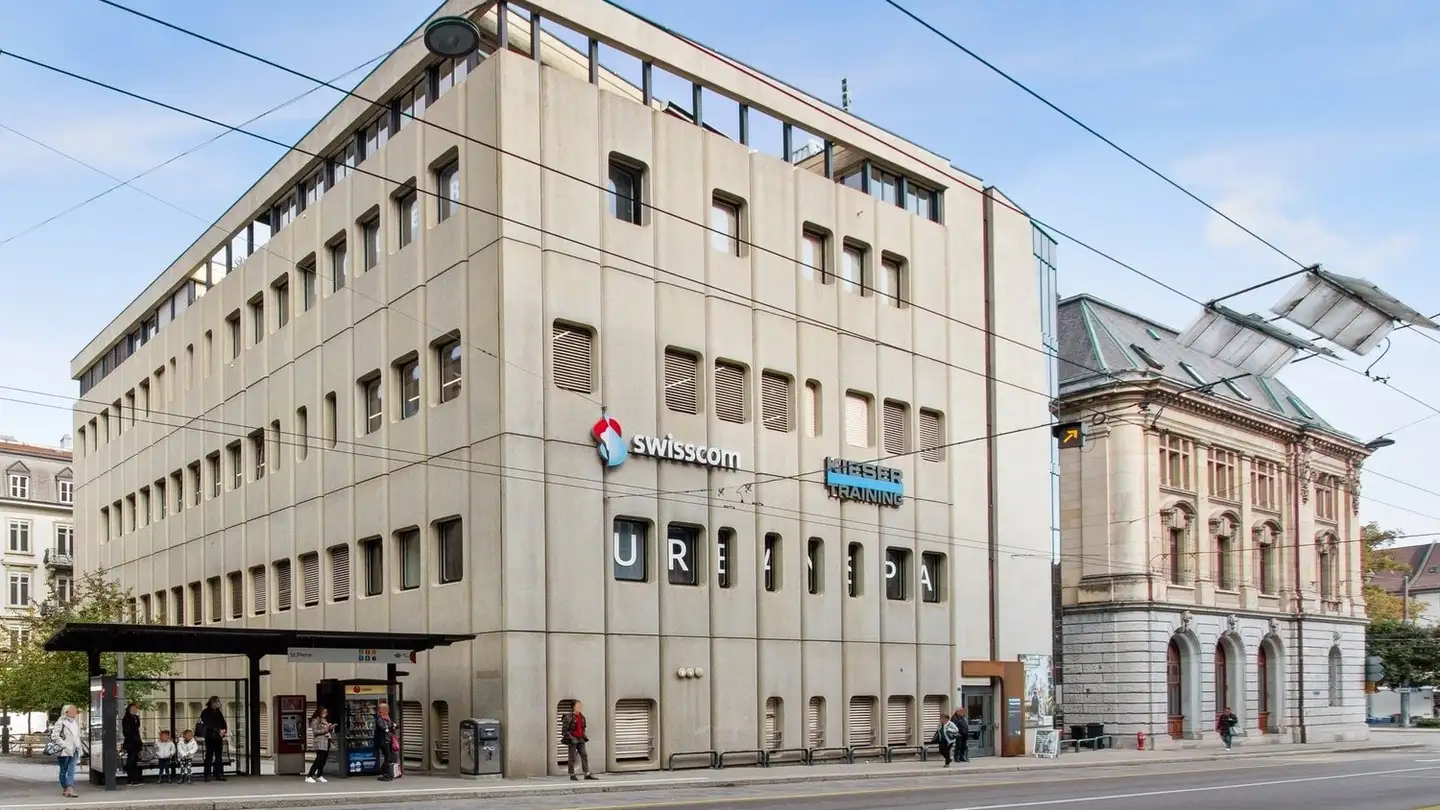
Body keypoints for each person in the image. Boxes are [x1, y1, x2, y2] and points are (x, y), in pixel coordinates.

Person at [50, 704, 82, 798]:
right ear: (66, 712)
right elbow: (54, 736)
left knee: (71, 770)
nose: (75, 712)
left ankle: (70, 789)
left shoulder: (75, 723)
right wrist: (64, 745)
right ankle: (65, 788)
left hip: (74, 749)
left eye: (75, 710)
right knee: (63, 770)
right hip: (64, 750)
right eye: (72, 710)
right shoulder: (60, 722)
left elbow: (76, 736)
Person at [561, 701, 597, 781]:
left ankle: (587, 774)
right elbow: (564, 731)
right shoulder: (568, 717)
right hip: (573, 739)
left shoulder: (582, 717)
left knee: (584, 755)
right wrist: (571, 738)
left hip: (581, 739)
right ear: (573, 707)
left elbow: (583, 728)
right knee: (572, 757)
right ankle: (572, 774)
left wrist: (583, 736)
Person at [199, 696, 228, 782]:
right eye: (217, 702)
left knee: (218, 756)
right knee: (209, 755)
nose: (219, 704)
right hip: (210, 737)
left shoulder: (218, 712)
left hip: (218, 737)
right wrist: (218, 730)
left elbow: (223, 722)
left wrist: (224, 730)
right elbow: (208, 724)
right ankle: (206, 775)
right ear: (212, 703)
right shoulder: (206, 712)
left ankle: (219, 774)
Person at [306, 706, 334, 783]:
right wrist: (326, 729)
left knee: (324, 759)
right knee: (318, 759)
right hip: (320, 742)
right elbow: (315, 732)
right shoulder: (315, 720)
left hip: (326, 741)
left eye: (326, 712)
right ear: (320, 712)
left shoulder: (324, 720)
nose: (325, 714)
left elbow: (327, 730)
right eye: (324, 712)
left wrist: (331, 728)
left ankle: (319, 775)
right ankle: (309, 775)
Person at [375, 702, 398, 781]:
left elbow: (392, 725)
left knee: (391, 757)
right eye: (386, 709)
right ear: (382, 710)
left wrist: (394, 726)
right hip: (383, 741)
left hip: (388, 740)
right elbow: (383, 727)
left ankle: (387, 773)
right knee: (388, 757)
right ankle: (382, 773)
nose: (388, 710)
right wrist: (391, 726)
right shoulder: (379, 719)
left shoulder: (387, 718)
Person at [122, 702, 143, 786]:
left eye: (136, 709)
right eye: (133, 709)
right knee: (131, 760)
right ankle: (131, 778)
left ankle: (137, 777)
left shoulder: (136, 718)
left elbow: (137, 729)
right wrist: (134, 739)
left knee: (136, 760)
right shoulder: (126, 718)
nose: (135, 710)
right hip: (131, 742)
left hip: (136, 742)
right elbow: (127, 732)